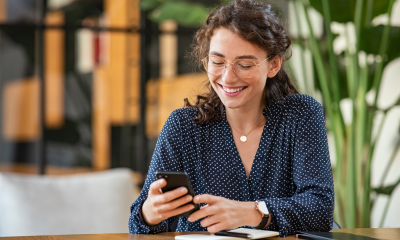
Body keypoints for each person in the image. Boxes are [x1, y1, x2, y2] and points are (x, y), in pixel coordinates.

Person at [129, 0, 334, 237]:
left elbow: (320, 208)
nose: (228, 77)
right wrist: (150, 213)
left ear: (274, 64)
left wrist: (253, 212)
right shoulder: (183, 126)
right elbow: (138, 224)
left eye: (245, 64)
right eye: (217, 62)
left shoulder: (301, 115)